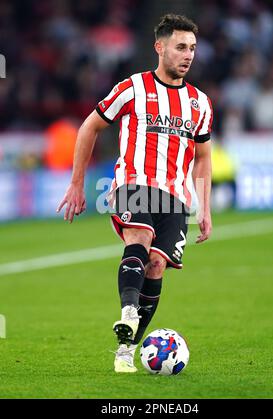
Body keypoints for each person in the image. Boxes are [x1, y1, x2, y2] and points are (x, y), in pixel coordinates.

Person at [57, 14, 213, 373]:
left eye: (192, 48)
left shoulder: (200, 103)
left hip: (175, 196)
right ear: (159, 47)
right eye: (180, 47)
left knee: (156, 266)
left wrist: (204, 207)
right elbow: (89, 127)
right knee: (139, 238)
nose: (187, 55)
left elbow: (202, 158)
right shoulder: (133, 88)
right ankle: (128, 309)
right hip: (134, 183)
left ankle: (126, 348)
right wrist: (77, 182)